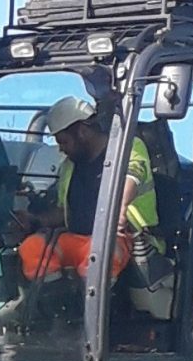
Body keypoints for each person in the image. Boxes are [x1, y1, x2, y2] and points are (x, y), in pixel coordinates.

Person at [12, 93, 156, 283]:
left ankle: (95, 309)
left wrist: (118, 212)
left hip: (123, 239)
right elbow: (65, 212)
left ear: (82, 132)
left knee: (96, 258)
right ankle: (56, 304)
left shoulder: (127, 147)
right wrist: (35, 220)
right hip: (78, 240)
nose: (61, 149)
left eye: (63, 141)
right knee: (33, 248)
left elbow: (132, 176)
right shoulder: (69, 166)